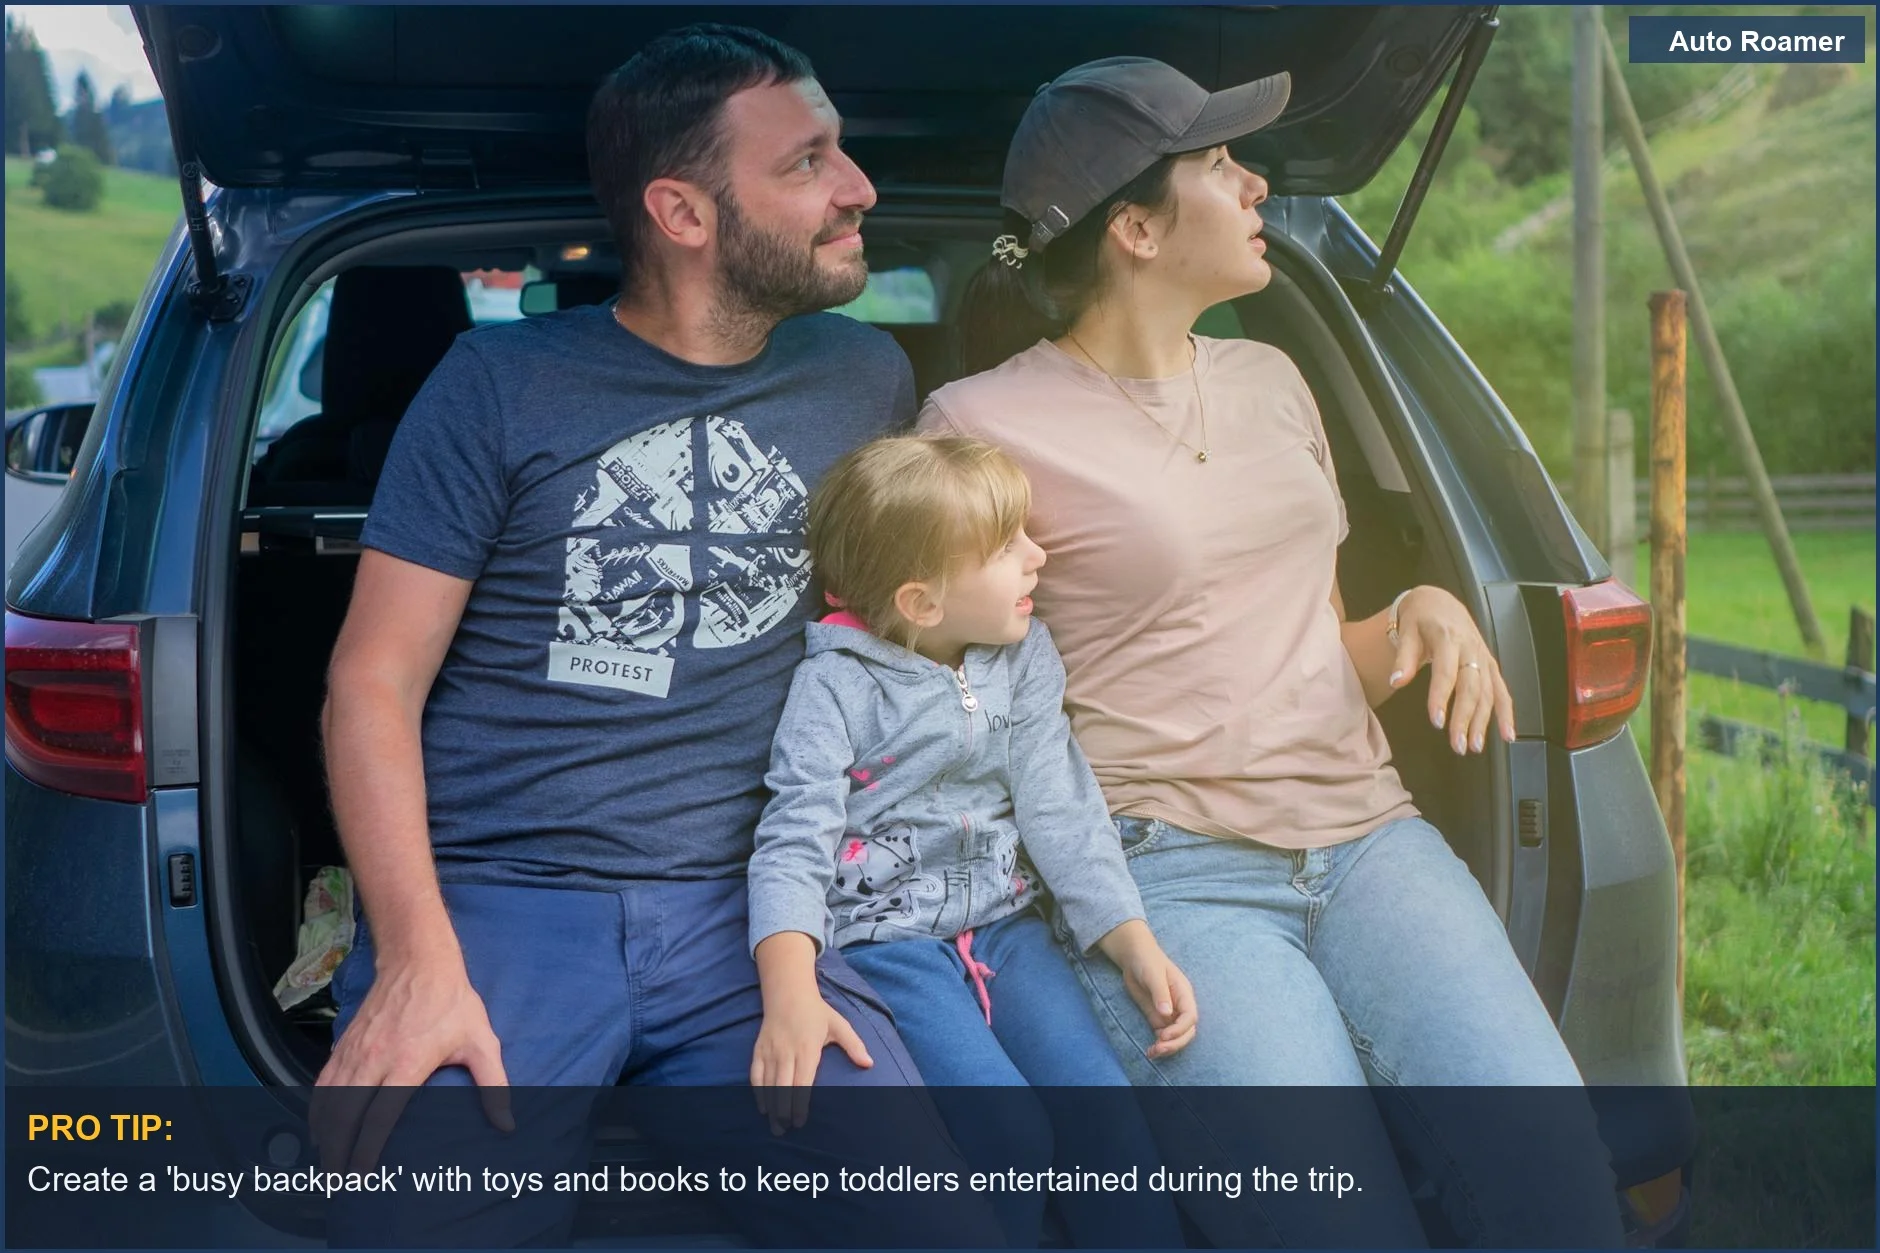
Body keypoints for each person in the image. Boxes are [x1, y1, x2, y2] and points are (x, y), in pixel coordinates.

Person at [918, 56, 1626, 1249]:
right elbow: (951, 712)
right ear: (1135, 227)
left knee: (1559, 1195)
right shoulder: (980, 428)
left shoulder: (1273, 376)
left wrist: (1415, 617)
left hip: (1369, 844)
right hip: (1172, 881)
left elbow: (1302, 642)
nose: (1255, 182)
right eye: (1217, 163)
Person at [314, 23, 1000, 1248]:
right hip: (504, 902)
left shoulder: (865, 381)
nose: (858, 189)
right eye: (808, 163)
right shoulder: (495, 383)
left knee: (938, 1224)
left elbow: (932, 604)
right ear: (682, 212)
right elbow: (370, 680)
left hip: (748, 915)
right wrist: (418, 957)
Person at [746, 434, 1194, 1247]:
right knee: (1005, 1131)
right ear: (921, 602)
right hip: (889, 947)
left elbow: (1060, 805)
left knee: (1104, 1113)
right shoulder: (835, 685)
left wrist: (1129, 940)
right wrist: (789, 984)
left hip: (1007, 930)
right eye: (1006, 546)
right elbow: (792, 836)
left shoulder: (1023, 658)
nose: (1038, 555)